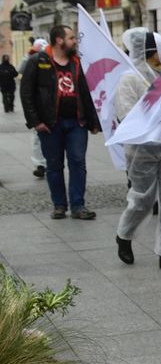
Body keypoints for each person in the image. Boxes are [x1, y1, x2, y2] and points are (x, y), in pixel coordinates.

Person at [112, 28, 161, 270]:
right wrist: (156, 108)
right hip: (142, 151)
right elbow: (125, 114)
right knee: (141, 200)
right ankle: (124, 235)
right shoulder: (130, 79)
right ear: (149, 51)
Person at [20, 26, 101, 220]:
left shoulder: (77, 62)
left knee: (78, 163)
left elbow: (87, 93)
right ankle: (59, 205)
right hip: (50, 124)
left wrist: (93, 121)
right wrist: (36, 121)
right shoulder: (38, 61)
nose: (75, 41)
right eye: (71, 38)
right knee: (54, 166)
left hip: (76, 122)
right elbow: (26, 93)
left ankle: (78, 205)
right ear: (59, 40)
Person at [24, 42, 49, 176]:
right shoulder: (32, 61)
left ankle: (49, 163)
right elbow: (20, 71)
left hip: (51, 111)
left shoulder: (54, 63)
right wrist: (28, 55)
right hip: (38, 109)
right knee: (36, 139)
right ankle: (40, 164)